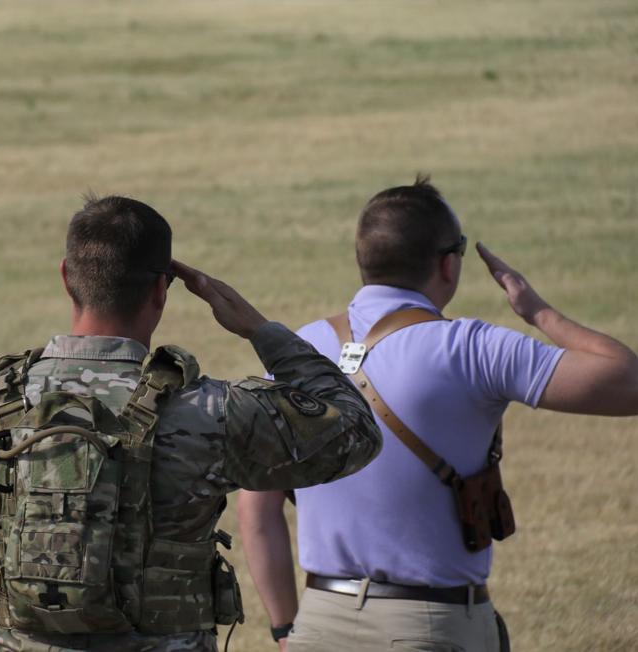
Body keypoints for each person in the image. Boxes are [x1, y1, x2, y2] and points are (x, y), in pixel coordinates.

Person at [0, 195, 383, 652]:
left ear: (67, 277)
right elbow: (355, 430)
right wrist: (260, 330)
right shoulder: (207, 413)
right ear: (160, 289)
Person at [238, 176, 638, 651]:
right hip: (431, 627)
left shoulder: (298, 349)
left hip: (320, 625)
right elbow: (627, 383)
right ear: (448, 264)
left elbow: (256, 508)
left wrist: (286, 629)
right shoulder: (470, 348)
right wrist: (538, 311)